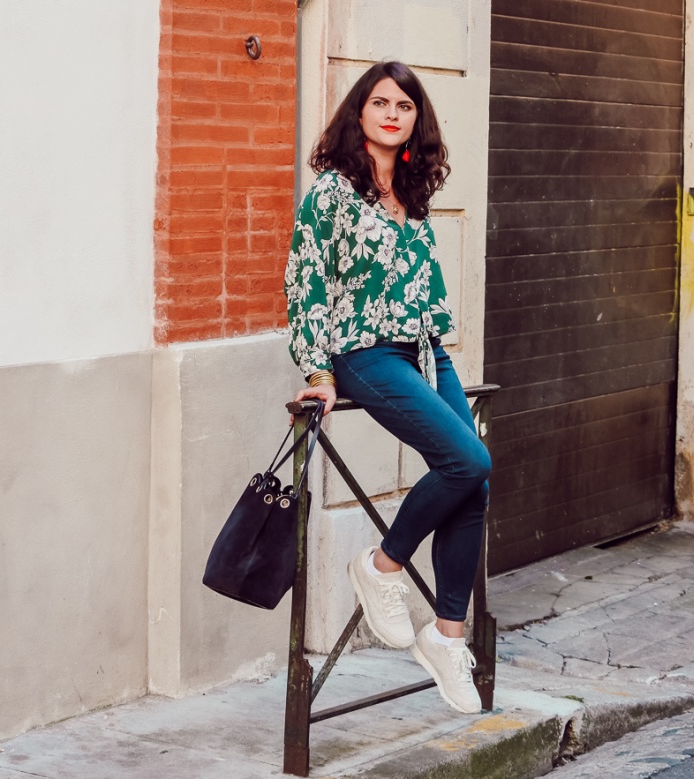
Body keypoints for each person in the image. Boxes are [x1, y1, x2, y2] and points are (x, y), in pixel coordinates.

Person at [284, 61, 491, 714]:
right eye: (381, 102)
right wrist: (318, 373)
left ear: (415, 119)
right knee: (468, 459)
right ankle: (381, 566)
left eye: (405, 105)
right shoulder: (332, 192)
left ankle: (447, 638)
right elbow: (306, 282)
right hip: (365, 353)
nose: (393, 114)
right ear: (360, 112)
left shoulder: (411, 190)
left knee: (475, 479)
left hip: (425, 350)